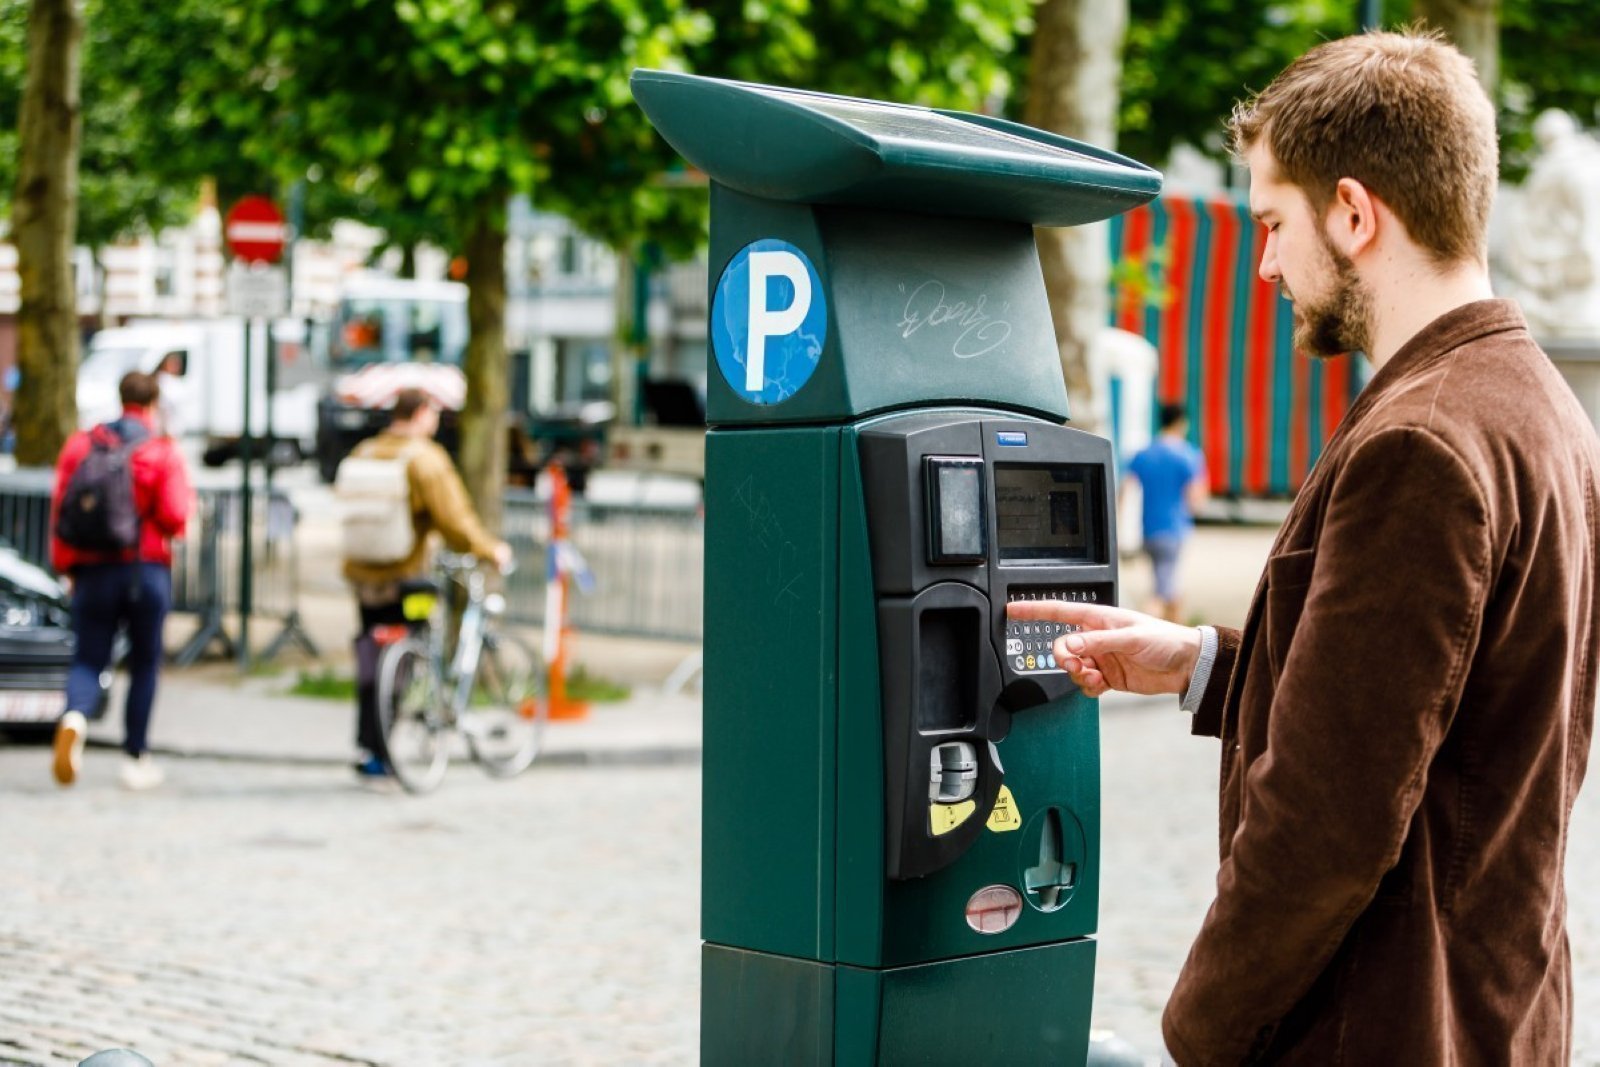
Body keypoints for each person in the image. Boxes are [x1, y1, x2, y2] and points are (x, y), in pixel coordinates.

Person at [1011, 31, 1600, 1064]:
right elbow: (1435, 723)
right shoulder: (1538, 409)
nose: (1269, 261)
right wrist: (1202, 664)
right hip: (1494, 1006)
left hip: (1384, 1022)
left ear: (1354, 211)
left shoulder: (1422, 440)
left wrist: (1200, 1025)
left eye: (1274, 222)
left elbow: (1328, 819)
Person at [342, 387, 510, 777]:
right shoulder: (425, 459)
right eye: (433, 414)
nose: (436, 422)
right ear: (419, 414)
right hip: (407, 579)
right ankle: (391, 744)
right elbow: (455, 518)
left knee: (372, 657)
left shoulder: (365, 451)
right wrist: (489, 549)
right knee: (410, 653)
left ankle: (368, 748)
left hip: (364, 578)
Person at [50, 371, 194, 791]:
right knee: (146, 663)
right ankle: (135, 757)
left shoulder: (83, 445)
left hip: (92, 569)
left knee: (88, 658)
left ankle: (75, 716)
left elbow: (63, 507)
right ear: (152, 404)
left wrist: (67, 567)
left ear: (120, 398)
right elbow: (174, 515)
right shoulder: (160, 450)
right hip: (145, 570)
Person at [1123, 403, 1208, 622]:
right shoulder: (1188, 455)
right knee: (1161, 593)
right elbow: (1196, 498)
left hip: (1149, 530)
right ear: (1181, 423)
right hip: (1173, 530)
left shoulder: (1144, 453)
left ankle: (1176, 636)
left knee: (1169, 586)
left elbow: (1125, 488)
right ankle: (1140, 630)